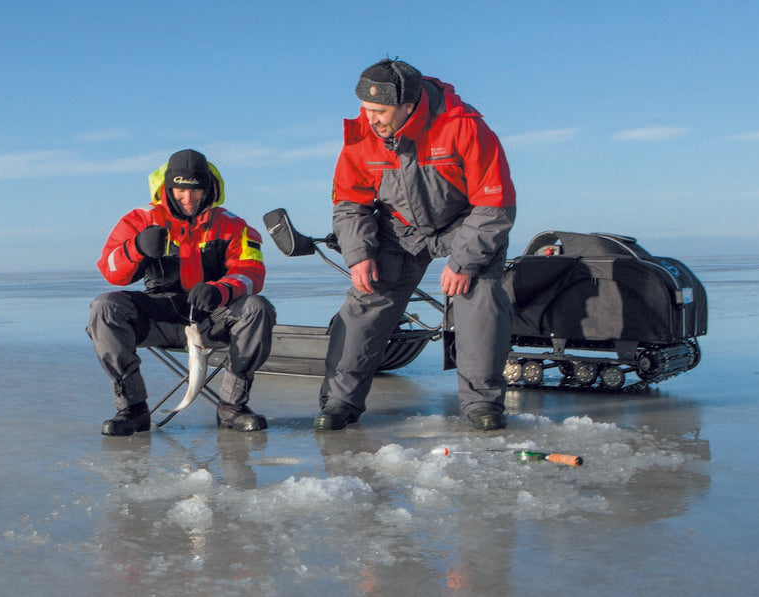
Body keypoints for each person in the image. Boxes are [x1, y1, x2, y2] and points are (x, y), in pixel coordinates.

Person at [315, 59, 516, 431]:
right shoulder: (362, 134)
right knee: (364, 303)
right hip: (399, 229)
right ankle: (340, 402)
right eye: (366, 108)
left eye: (379, 110)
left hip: (466, 223)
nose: (370, 118)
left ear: (409, 106)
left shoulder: (464, 126)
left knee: (480, 302)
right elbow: (349, 203)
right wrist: (359, 255)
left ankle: (482, 404)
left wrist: (465, 261)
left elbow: (494, 203)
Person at [87, 149, 276, 436]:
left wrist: (222, 289)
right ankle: (133, 409)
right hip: (159, 316)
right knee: (104, 307)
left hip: (214, 317)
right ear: (167, 188)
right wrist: (136, 247)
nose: (188, 200)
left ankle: (232, 407)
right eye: (180, 191)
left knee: (258, 307)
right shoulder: (140, 219)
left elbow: (252, 272)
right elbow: (111, 271)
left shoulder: (233, 225)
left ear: (209, 188)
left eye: (196, 191)